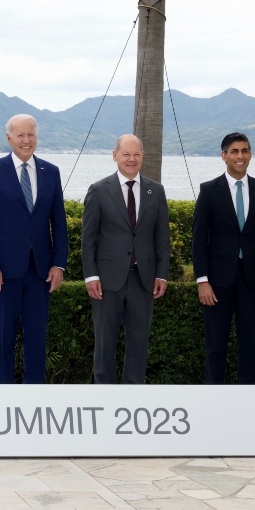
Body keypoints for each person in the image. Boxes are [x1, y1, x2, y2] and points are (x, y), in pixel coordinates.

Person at [0, 114, 67, 384]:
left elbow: (58, 223)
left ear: (36, 137)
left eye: (31, 135)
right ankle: (4, 395)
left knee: (37, 337)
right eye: (20, 135)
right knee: (4, 337)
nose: (26, 140)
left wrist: (59, 264)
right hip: (3, 272)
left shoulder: (52, 172)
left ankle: (33, 396)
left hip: (41, 271)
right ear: (9, 138)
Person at [191, 132, 255, 385]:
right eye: (235, 151)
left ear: (250, 154)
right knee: (216, 344)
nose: (240, 156)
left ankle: (248, 402)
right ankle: (214, 398)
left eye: (245, 150)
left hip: (253, 279)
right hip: (216, 281)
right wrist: (202, 280)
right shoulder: (209, 190)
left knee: (250, 344)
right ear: (224, 156)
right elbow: (199, 239)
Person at [82, 134, 169, 385]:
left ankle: (133, 398)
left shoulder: (156, 190)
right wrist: (91, 275)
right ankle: (105, 397)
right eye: (126, 154)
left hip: (143, 281)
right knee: (105, 343)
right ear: (115, 156)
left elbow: (162, 238)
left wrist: (161, 274)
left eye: (136, 154)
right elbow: (88, 239)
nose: (131, 159)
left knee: (139, 343)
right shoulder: (99, 190)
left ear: (142, 157)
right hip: (107, 282)